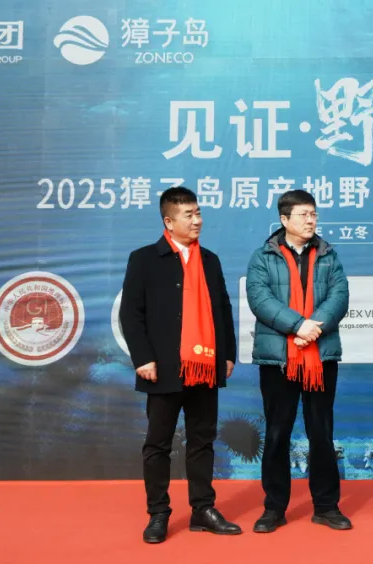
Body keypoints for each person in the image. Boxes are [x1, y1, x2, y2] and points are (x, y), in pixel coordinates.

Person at [119, 186, 242, 544]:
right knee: (158, 443)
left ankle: (203, 509)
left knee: (202, 440)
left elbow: (223, 310)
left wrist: (227, 354)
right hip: (163, 367)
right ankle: (158, 512)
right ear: (169, 221)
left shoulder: (210, 260)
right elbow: (131, 313)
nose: (197, 220)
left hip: (204, 365)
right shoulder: (144, 259)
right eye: (189, 215)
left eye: (198, 213)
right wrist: (143, 358)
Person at [245, 189, 351, 533]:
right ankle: (274, 508)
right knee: (277, 433)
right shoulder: (263, 256)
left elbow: (340, 296)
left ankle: (326, 506)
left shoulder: (329, 254)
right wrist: (298, 326)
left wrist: (313, 328)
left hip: (320, 356)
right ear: (284, 219)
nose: (311, 220)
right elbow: (260, 299)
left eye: (314, 214)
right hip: (278, 359)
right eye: (303, 214)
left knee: (322, 432)